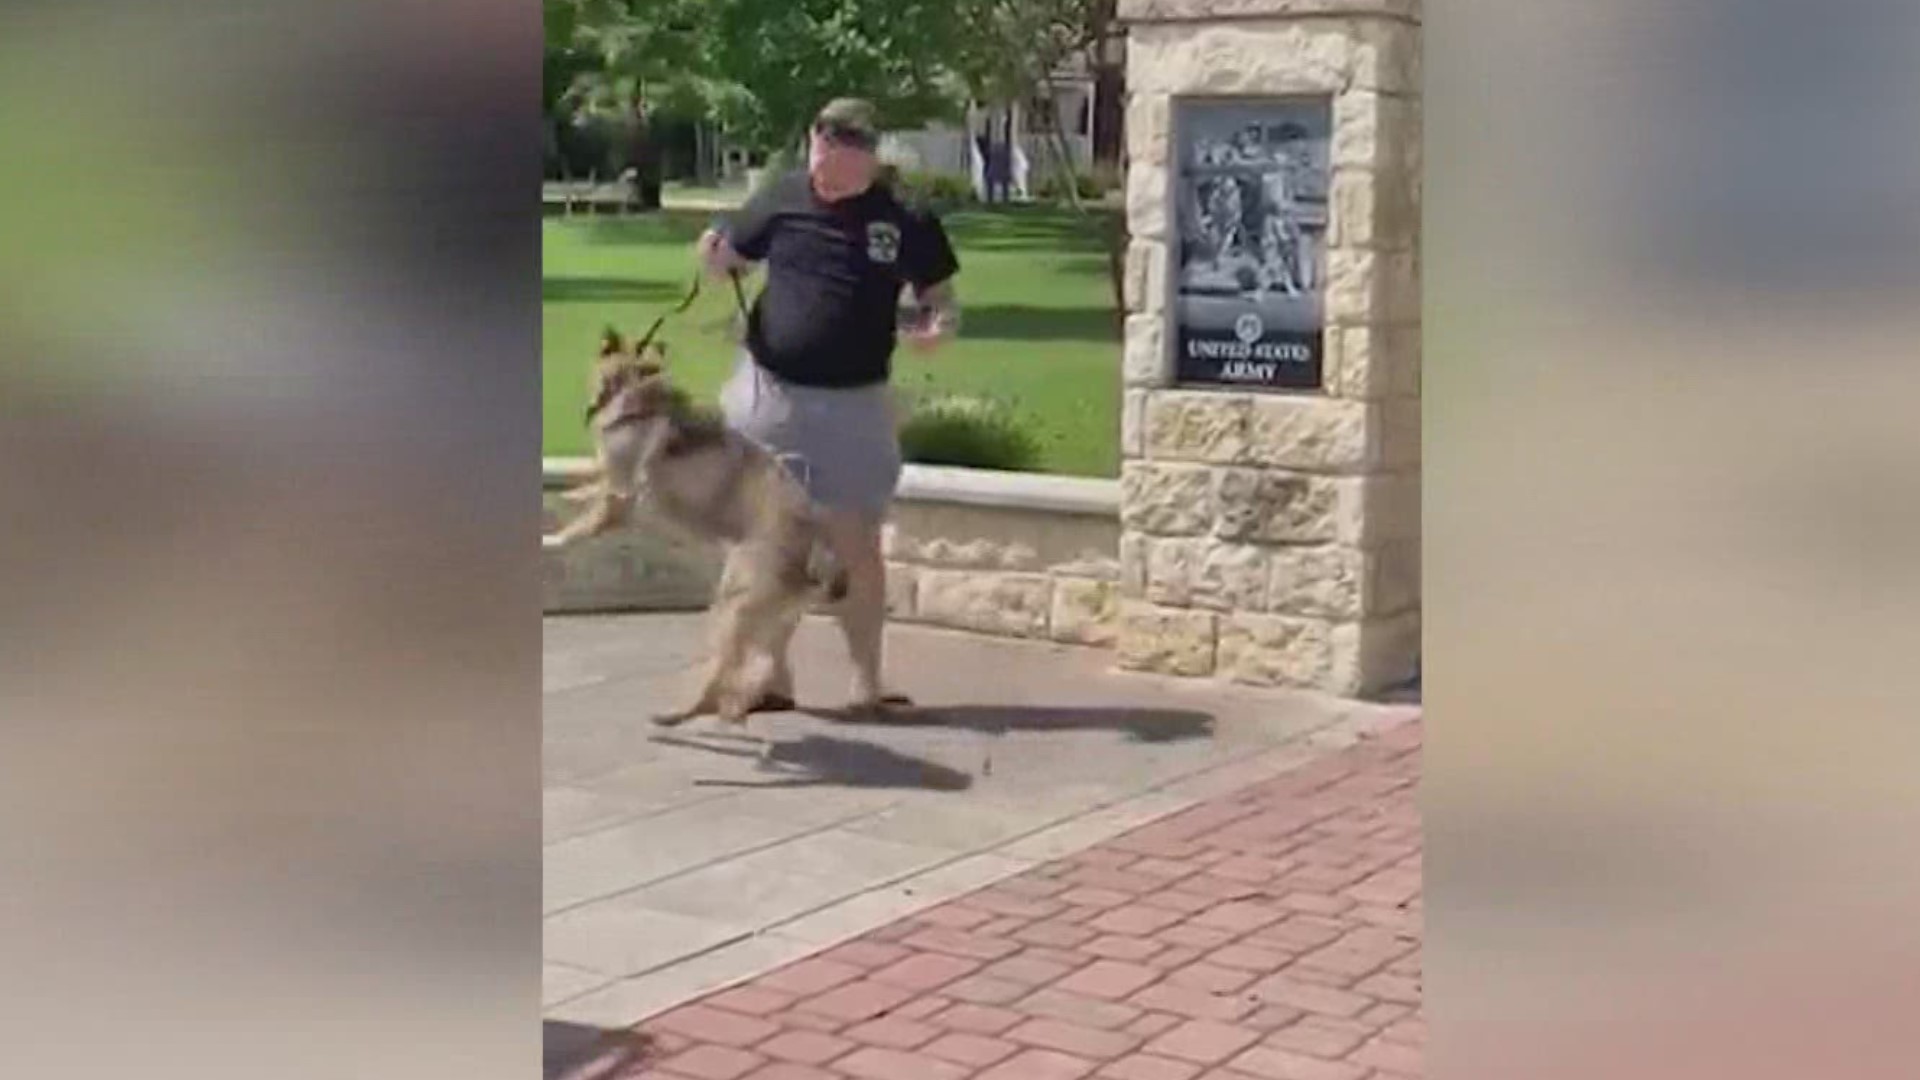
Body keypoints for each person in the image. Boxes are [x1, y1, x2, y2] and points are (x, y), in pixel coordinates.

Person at [694, 97, 962, 715]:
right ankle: (771, 677)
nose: (824, 153)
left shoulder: (904, 216)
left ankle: (867, 682)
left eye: (839, 144)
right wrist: (713, 254)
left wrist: (939, 327)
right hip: (770, 393)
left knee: (856, 544)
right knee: (762, 541)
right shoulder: (782, 195)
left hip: (854, 406)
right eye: (819, 139)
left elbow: (941, 296)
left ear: (867, 153)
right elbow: (728, 254)